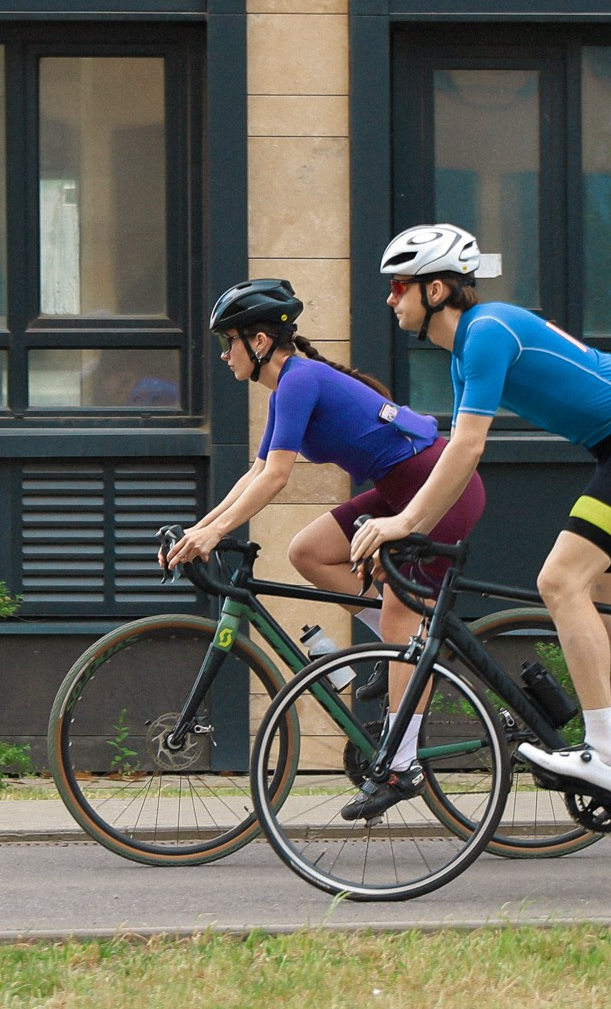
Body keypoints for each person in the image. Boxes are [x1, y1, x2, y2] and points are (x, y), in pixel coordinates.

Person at [369, 223, 611, 796]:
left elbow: (467, 447)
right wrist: (413, 526)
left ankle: (603, 755)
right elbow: (458, 457)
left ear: (435, 290)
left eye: (398, 286)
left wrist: (406, 522)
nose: (390, 299)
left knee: (559, 582)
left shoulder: (484, 332)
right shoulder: (467, 354)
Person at [164, 277, 486, 813]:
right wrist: (203, 528)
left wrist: (215, 534)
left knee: (404, 620)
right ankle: (397, 647)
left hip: (439, 488)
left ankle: (402, 766)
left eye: (229, 342)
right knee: (308, 551)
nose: (224, 355)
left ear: (260, 341)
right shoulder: (288, 385)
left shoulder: (297, 380)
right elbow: (257, 471)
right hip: (397, 489)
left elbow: (276, 480)